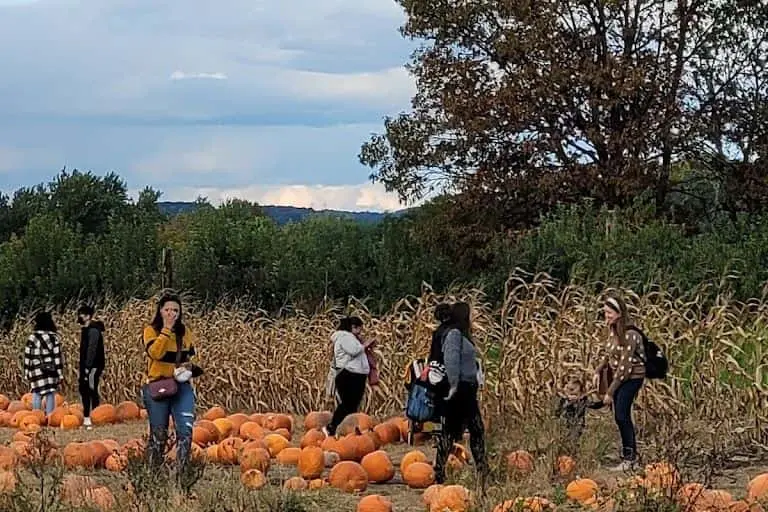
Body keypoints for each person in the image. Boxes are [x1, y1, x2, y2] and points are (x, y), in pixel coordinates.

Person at [142, 293, 202, 472]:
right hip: (158, 385)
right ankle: (152, 474)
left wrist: (189, 368)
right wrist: (166, 330)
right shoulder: (151, 331)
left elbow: (188, 355)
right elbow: (156, 353)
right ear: (160, 311)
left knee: (185, 430)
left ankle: (182, 474)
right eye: (167, 310)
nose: (171, 314)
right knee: (159, 433)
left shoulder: (185, 333)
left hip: (181, 386)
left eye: (175, 310)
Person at [434, 302, 488, 485]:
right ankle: (442, 471)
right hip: (460, 390)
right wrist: (454, 385)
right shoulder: (454, 334)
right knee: (467, 429)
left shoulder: (460, 334)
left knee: (461, 430)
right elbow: (450, 359)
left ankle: (443, 470)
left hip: (466, 388)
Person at [593, 293, 646, 471]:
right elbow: (610, 355)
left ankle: (630, 459)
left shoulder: (630, 334)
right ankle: (629, 455)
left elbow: (625, 367)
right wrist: (599, 369)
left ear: (619, 313)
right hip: (620, 376)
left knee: (621, 415)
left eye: (609, 313)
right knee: (620, 415)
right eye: (605, 312)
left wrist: (610, 392)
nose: (606, 316)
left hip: (632, 378)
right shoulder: (613, 331)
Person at [324, 316, 372, 437]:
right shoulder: (345, 337)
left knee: (352, 405)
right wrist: (365, 345)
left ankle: (348, 430)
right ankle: (332, 427)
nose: (361, 332)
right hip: (349, 375)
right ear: (353, 327)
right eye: (359, 329)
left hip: (355, 375)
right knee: (347, 404)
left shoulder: (349, 337)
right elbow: (354, 350)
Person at [23, 312, 65, 415]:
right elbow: (57, 357)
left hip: (35, 369)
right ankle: (50, 416)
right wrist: (60, 373)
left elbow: (28, 356)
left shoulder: (32, 338)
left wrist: (26, 371)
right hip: (50, 369)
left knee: (36, 393)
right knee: (50, 393)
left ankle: (36, 416)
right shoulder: (54, 337)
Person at [553, 375, 603, 454]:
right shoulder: (564, 400)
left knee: (573, 439)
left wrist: (603, 402)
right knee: (563, 440)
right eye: (569, 389)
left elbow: (594, 405)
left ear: (580, 392)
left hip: (577, 424)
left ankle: (572, 455)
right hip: (565, 424)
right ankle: (563, 455)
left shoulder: (582, 400)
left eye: (573, 390)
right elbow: (557, 412)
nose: (571, 393)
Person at [77, 305, 106, 429]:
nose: (79, 317)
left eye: (81, 314)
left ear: (88, 316)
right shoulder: (87, 330)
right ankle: (89, 415)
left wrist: (88, 366)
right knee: (85, 389)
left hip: (93, 366)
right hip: (87, 365)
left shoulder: (93, 331)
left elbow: (92, 349)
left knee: (90, 388)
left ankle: (92, 415)